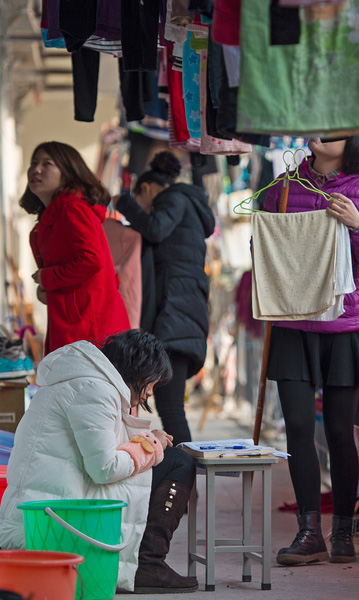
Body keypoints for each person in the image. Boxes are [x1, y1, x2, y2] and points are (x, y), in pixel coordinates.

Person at [264, 131, 359, 565]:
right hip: (292, 321)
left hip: (344, 326)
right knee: (297, 428)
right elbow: (264, 250)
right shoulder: (283, 187)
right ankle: (308, 532)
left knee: (339, 432)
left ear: (354, 144)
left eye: (336, 130)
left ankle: (342, 533)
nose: (322, 132)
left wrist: (358, 224)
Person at [0, 330, 199, 594]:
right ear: (136, 370)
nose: (149, 393)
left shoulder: (85, 381)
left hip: (54, 506)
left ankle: (146, 564)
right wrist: (152, 444)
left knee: (170, 460)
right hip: (57, 516)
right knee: (178, 463)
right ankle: (148, 564)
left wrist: (147, 442)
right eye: (151, 383)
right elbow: (105, 467)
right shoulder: (93, 389)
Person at [114, 152, 216, 445]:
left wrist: (124, 204)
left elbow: (155, 229)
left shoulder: (173, 199)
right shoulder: (188, 208)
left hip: (176, 317)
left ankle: (185, 486)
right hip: (182, 314)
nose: (143, 212)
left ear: (146, 190)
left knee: (171, 409)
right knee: (170, 408)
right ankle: (186, 484)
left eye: (140, 200)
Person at [20, 141, 130, 354]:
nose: (36, 169)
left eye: (47, 163)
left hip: (90, 330)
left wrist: (47, 278)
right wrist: (48, 288)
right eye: (33, 163)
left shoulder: (72, 209)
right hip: (77, 326)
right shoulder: (55, 214)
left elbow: (91, 259)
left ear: (67, 173)